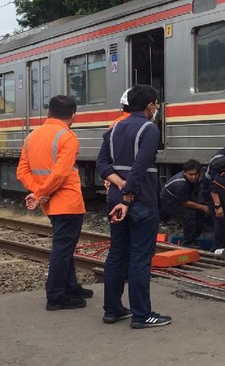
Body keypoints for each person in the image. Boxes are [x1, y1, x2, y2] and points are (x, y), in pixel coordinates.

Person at [96, 84, 171, 329]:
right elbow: (140, 166)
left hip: (114, 200)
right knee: (140, 258)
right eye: (156, 104)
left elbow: (102, 164)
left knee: (117, 254)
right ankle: (141, 314)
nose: (156, 108)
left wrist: (118, 184)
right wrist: (128, 197)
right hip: (140, 202)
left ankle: (113, 310)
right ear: (150, 105)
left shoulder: (115, 127)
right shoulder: (149, 129)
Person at [16, 95, 92, 311]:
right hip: (68, 202)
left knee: (64, 246)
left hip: (50, 204)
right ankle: (56, 296)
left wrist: (39, 193)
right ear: (73, 116)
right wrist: (41, 193)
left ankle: (71, 286)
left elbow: (22, 171)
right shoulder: (68, 137)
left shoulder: (31, 136)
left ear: (49, 113)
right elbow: (60, 173)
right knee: (62, 249)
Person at [160, 159, 210, 248]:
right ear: (185, 173)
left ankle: (194, 238)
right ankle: (187, 242)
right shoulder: (180, 184)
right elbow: (185, 203)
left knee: (199, 213)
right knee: (189, 215)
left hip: (181, 197)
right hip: (169, 201)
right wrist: (203, 207)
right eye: (191, 174)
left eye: (195, 174)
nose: (194, 177)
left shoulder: (196, 178)